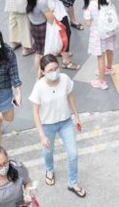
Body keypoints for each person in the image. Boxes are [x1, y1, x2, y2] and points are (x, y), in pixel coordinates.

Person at [30, 55, 85, 198]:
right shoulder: (39, 87)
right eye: (50, 70)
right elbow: (35, 113)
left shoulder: (65, 79)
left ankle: (73, 183)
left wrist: (77, 116)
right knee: (48, 151)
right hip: (47, 125)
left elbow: (70, 97)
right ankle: (49, 169)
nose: (54, 72)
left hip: (66, 122)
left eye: (56, 68)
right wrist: (42, 135)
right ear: (43, 72)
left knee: (73, 154)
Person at [83, 0, 117, 91]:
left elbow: (88, 23)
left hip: (98, 34)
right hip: (109, 31)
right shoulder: (108, 1)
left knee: (100, 56)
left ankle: (101, 82)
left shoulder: (90, 6)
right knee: (109, 49)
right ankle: (109, 68)